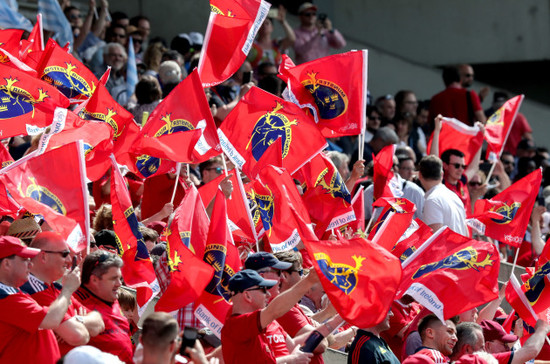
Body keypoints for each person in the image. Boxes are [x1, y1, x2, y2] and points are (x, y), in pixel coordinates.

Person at [21, 232, 105, 356]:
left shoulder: (56, 288)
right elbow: (77, 336)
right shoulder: (32, 290)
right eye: (64, 254)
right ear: (43, 256)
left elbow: (99, 322)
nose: (69, 260)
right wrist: (68, 291)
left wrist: (77, 320)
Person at [0, 236, 80, 364]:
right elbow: (52, 319)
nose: (30, 263)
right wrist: (68, 289)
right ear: (7, 264)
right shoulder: (5, 296)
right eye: (24, 259)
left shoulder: (13, 292)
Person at [220, 269, 316, 363]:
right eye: (263, 290)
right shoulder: (238, 325)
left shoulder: (252, 325)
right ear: (247, 295)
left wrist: (330, 324)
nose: (268, 295)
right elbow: (274, 311)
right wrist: (309, 280)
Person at [74, 251, 133, 364]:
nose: (119, 284)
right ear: (94, 280)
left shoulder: (112, 298)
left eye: (120, 278)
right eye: (113, 279)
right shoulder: (75, 302)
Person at [417, 155, 468, 236]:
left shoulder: (432, 200)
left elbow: (435, 239)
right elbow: (466, 233)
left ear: (419, 175)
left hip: (450, 248)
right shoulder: (454, 197)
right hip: (460, 248)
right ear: (442, 174)